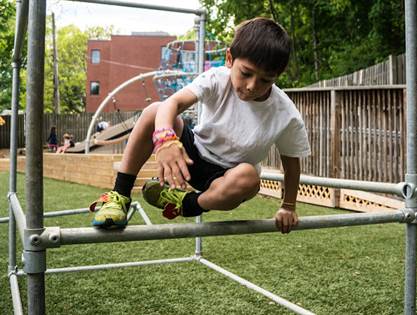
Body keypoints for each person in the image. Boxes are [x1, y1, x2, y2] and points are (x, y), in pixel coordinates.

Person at [89, 17, 311, 234]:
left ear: (277, 77)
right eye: (246, 73)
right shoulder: (217, 78)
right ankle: (119, 195)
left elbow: (291, 163)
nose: (253, 85)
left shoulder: (286, 114)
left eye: (266, 80)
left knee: (249, 178)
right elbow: (172, 103)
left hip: (226, 177)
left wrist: (288, 206)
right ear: (229, 59)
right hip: (192, 153)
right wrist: (165, 140)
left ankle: (187, 204)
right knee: (155, 110)